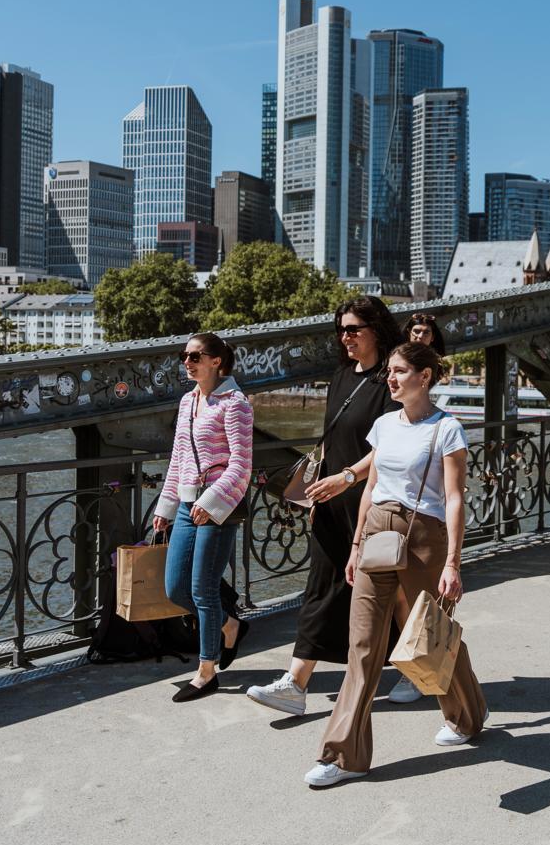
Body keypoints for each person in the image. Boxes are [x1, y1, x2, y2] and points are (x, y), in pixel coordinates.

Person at [304, 342, 488, 788]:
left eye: (400, 371)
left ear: (424, 377)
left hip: (424, 538)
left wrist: (453, 562)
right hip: (377, 535)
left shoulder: (446, 429)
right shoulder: (384, 424)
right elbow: (371, 486)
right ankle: (344, 755)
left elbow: (455, 498)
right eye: (389, 371)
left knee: (429, 636)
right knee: (363, 647)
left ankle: (468, 715)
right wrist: (355, 544)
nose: (390, 378)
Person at [247, 297, 410, 715]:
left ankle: (421, 666)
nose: (346, 337)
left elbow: (391, 444)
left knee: (387, 593)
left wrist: (348, 477)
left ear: (376, 328)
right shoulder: (341, 376)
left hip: (373, 500)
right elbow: (332, 442)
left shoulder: (389, 380)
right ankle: (296, 683)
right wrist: (319, 488)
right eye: (341, 329)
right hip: (332, 501)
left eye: (354, 328)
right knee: (322, 588)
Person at [153, 332, 254, 702]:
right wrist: (165, 508)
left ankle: (206, 670)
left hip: (218, 507)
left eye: (196, 355)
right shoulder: (187, 402)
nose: (188, 361)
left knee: (203, 589)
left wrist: (211, 501)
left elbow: (241, 465)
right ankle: (230, 626)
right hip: (184, 505)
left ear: (217, 361)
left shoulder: (236, 404)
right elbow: (179, 459)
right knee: (175, 587)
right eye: (185, 355)